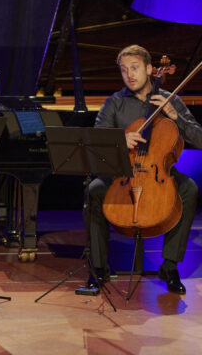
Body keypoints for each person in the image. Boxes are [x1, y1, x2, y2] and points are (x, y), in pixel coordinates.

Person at [85, 44, 202, 294]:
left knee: (189, 189)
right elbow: (96, 141)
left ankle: (169, 265)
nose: (130, 74)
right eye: (124, 70)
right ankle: (98, 268)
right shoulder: (114, 104)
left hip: (158, 171)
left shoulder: (171, 100)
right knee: (94, 190)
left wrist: (174, 116)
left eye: (135, 68)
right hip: (122, 172)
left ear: (150, 69)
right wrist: (119, 141)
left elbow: (199, 139)